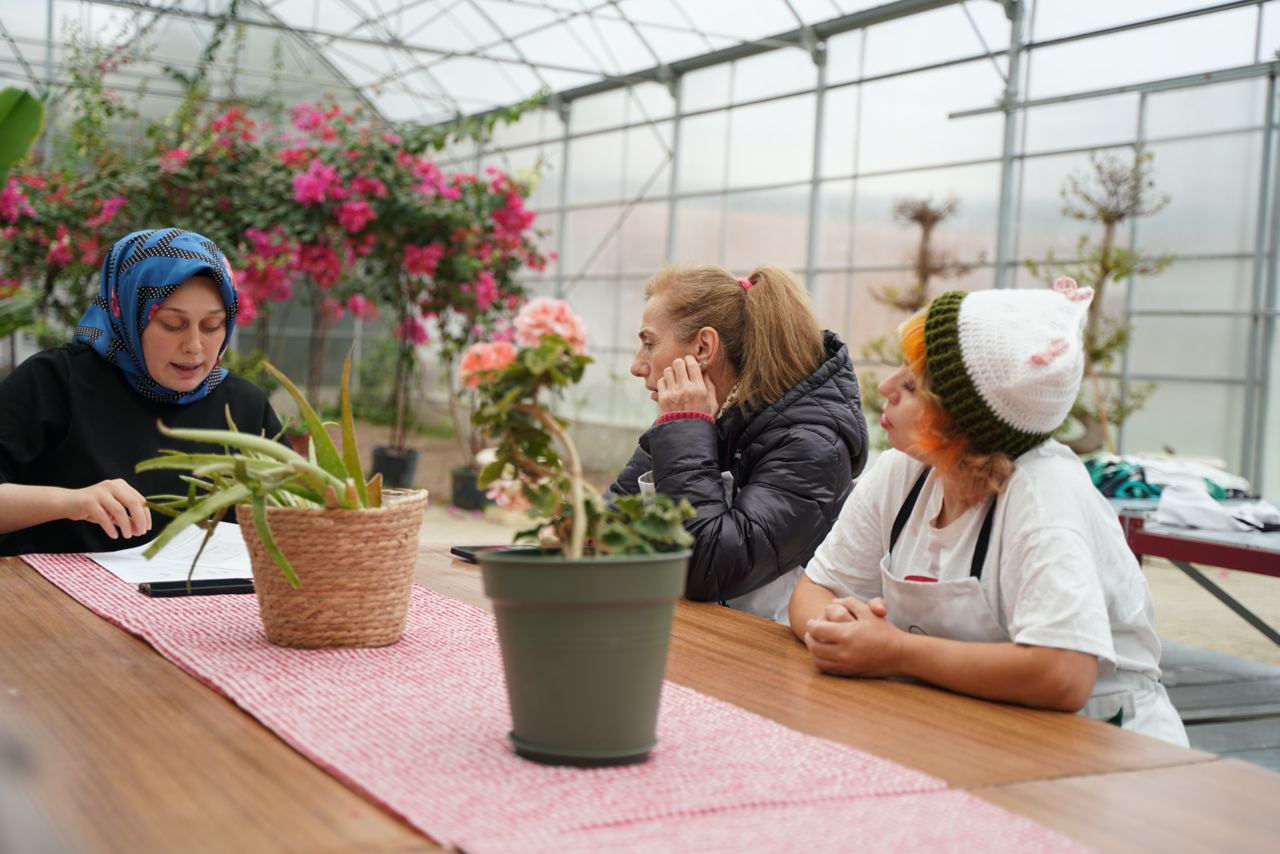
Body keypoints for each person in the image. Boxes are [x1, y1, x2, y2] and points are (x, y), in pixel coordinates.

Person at [789, 280, 1187, 745]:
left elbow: (1063, 673)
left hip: (1101, 747)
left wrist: (896, 652)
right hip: (969, 729)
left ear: (960, 423)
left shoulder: (1044, 496)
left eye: (912, 386)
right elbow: (814, 591)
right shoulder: (904, 471)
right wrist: (837, 630)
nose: (885, 387)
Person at [608, 265, 869, 623]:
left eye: (649, 343)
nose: (638, 366)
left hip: (770, 649)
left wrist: (685, 428)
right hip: (704, 632)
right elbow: (610, 522)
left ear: (704, 347)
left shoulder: (812, 444)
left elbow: (708, 569)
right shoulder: (706, 414)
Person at [0, 228, 281, 556]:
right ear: (129, 311)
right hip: (54, 588)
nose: (194, 346)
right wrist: (70, 502)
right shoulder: (55, 382)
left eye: (211, 326)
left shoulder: (244, 406)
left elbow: (294, 517)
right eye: (172, 325)